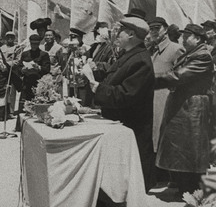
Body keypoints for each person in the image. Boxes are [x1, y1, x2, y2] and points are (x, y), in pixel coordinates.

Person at [81, 16, 155, 191]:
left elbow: (126, 95)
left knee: (130, 187)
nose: (117, 34)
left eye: (120, 31)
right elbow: (114, 79)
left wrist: (97, 88)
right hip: (121, 126)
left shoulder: (141, 61)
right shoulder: (130, 55)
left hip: (131, 128)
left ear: (131, 34)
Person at [155, 24, 215, 197]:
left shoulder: (202, 56)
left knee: (189, 152)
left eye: (187, 35)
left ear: (198, 38)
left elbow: (177, 76)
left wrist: (150, 80)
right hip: (185, 107)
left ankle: (191, 191)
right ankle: (184, 188)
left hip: (192, 108)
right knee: (181, 150)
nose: (182, 38)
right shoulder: (193, 53)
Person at [147, 17, 185, 158]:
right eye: (151, 29)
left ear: (166, 29)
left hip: (165, 100)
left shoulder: (175, 49)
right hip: (150, 98)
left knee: (162, 136)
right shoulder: (152, 50)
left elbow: (182, 77)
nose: (154, 32)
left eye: (157, 28)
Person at [17, 34, 51, 102]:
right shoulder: (25, 54)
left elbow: (47, 69)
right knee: (25, 104)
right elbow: (19, 67)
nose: (34, 46)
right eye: (32, 44)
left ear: (38, 44)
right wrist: (22, 70)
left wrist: (38, 67)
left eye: (36, 44)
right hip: (27, 83)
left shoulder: (44, 55)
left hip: (39, 84)